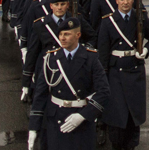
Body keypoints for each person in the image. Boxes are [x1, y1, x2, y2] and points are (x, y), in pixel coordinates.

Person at [27, 15, 109, 150]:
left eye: (67, 34)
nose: (62, 38)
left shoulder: (91, 58)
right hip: (56, 121)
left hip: (81, 120)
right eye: (60, 34)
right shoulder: (51, 59)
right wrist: (33, 128)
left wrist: (84, 115)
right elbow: (40, 95)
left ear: (78, 35)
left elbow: (104, 91)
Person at [98, 0, 149, 150]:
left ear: (133, 0)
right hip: (115, 73)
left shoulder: (139, 18)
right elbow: (103, 55)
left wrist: (146, 50)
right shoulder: (108, 22)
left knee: (134, 115)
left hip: (134, 70)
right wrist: (101, 81)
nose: (125, 2)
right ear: (116, 1)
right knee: (117, 115)